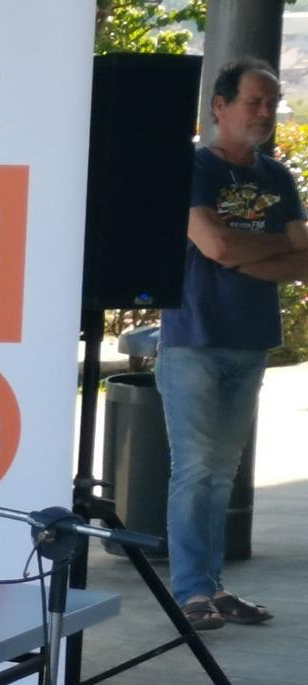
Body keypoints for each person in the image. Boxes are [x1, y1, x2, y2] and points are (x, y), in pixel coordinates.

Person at [160, 57, 303, 630]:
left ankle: (213, 589)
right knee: (195, 470)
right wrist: (264, 251)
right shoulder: (192, 169)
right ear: (219, 106)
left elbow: (304, 259)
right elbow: (214, 247)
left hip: (250, 339)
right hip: (194, 334)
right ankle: (191, 592)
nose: (265, 112)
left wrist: (242, 251)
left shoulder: (278, 178)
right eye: (254, 101)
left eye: (271, 102)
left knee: (222, 472)